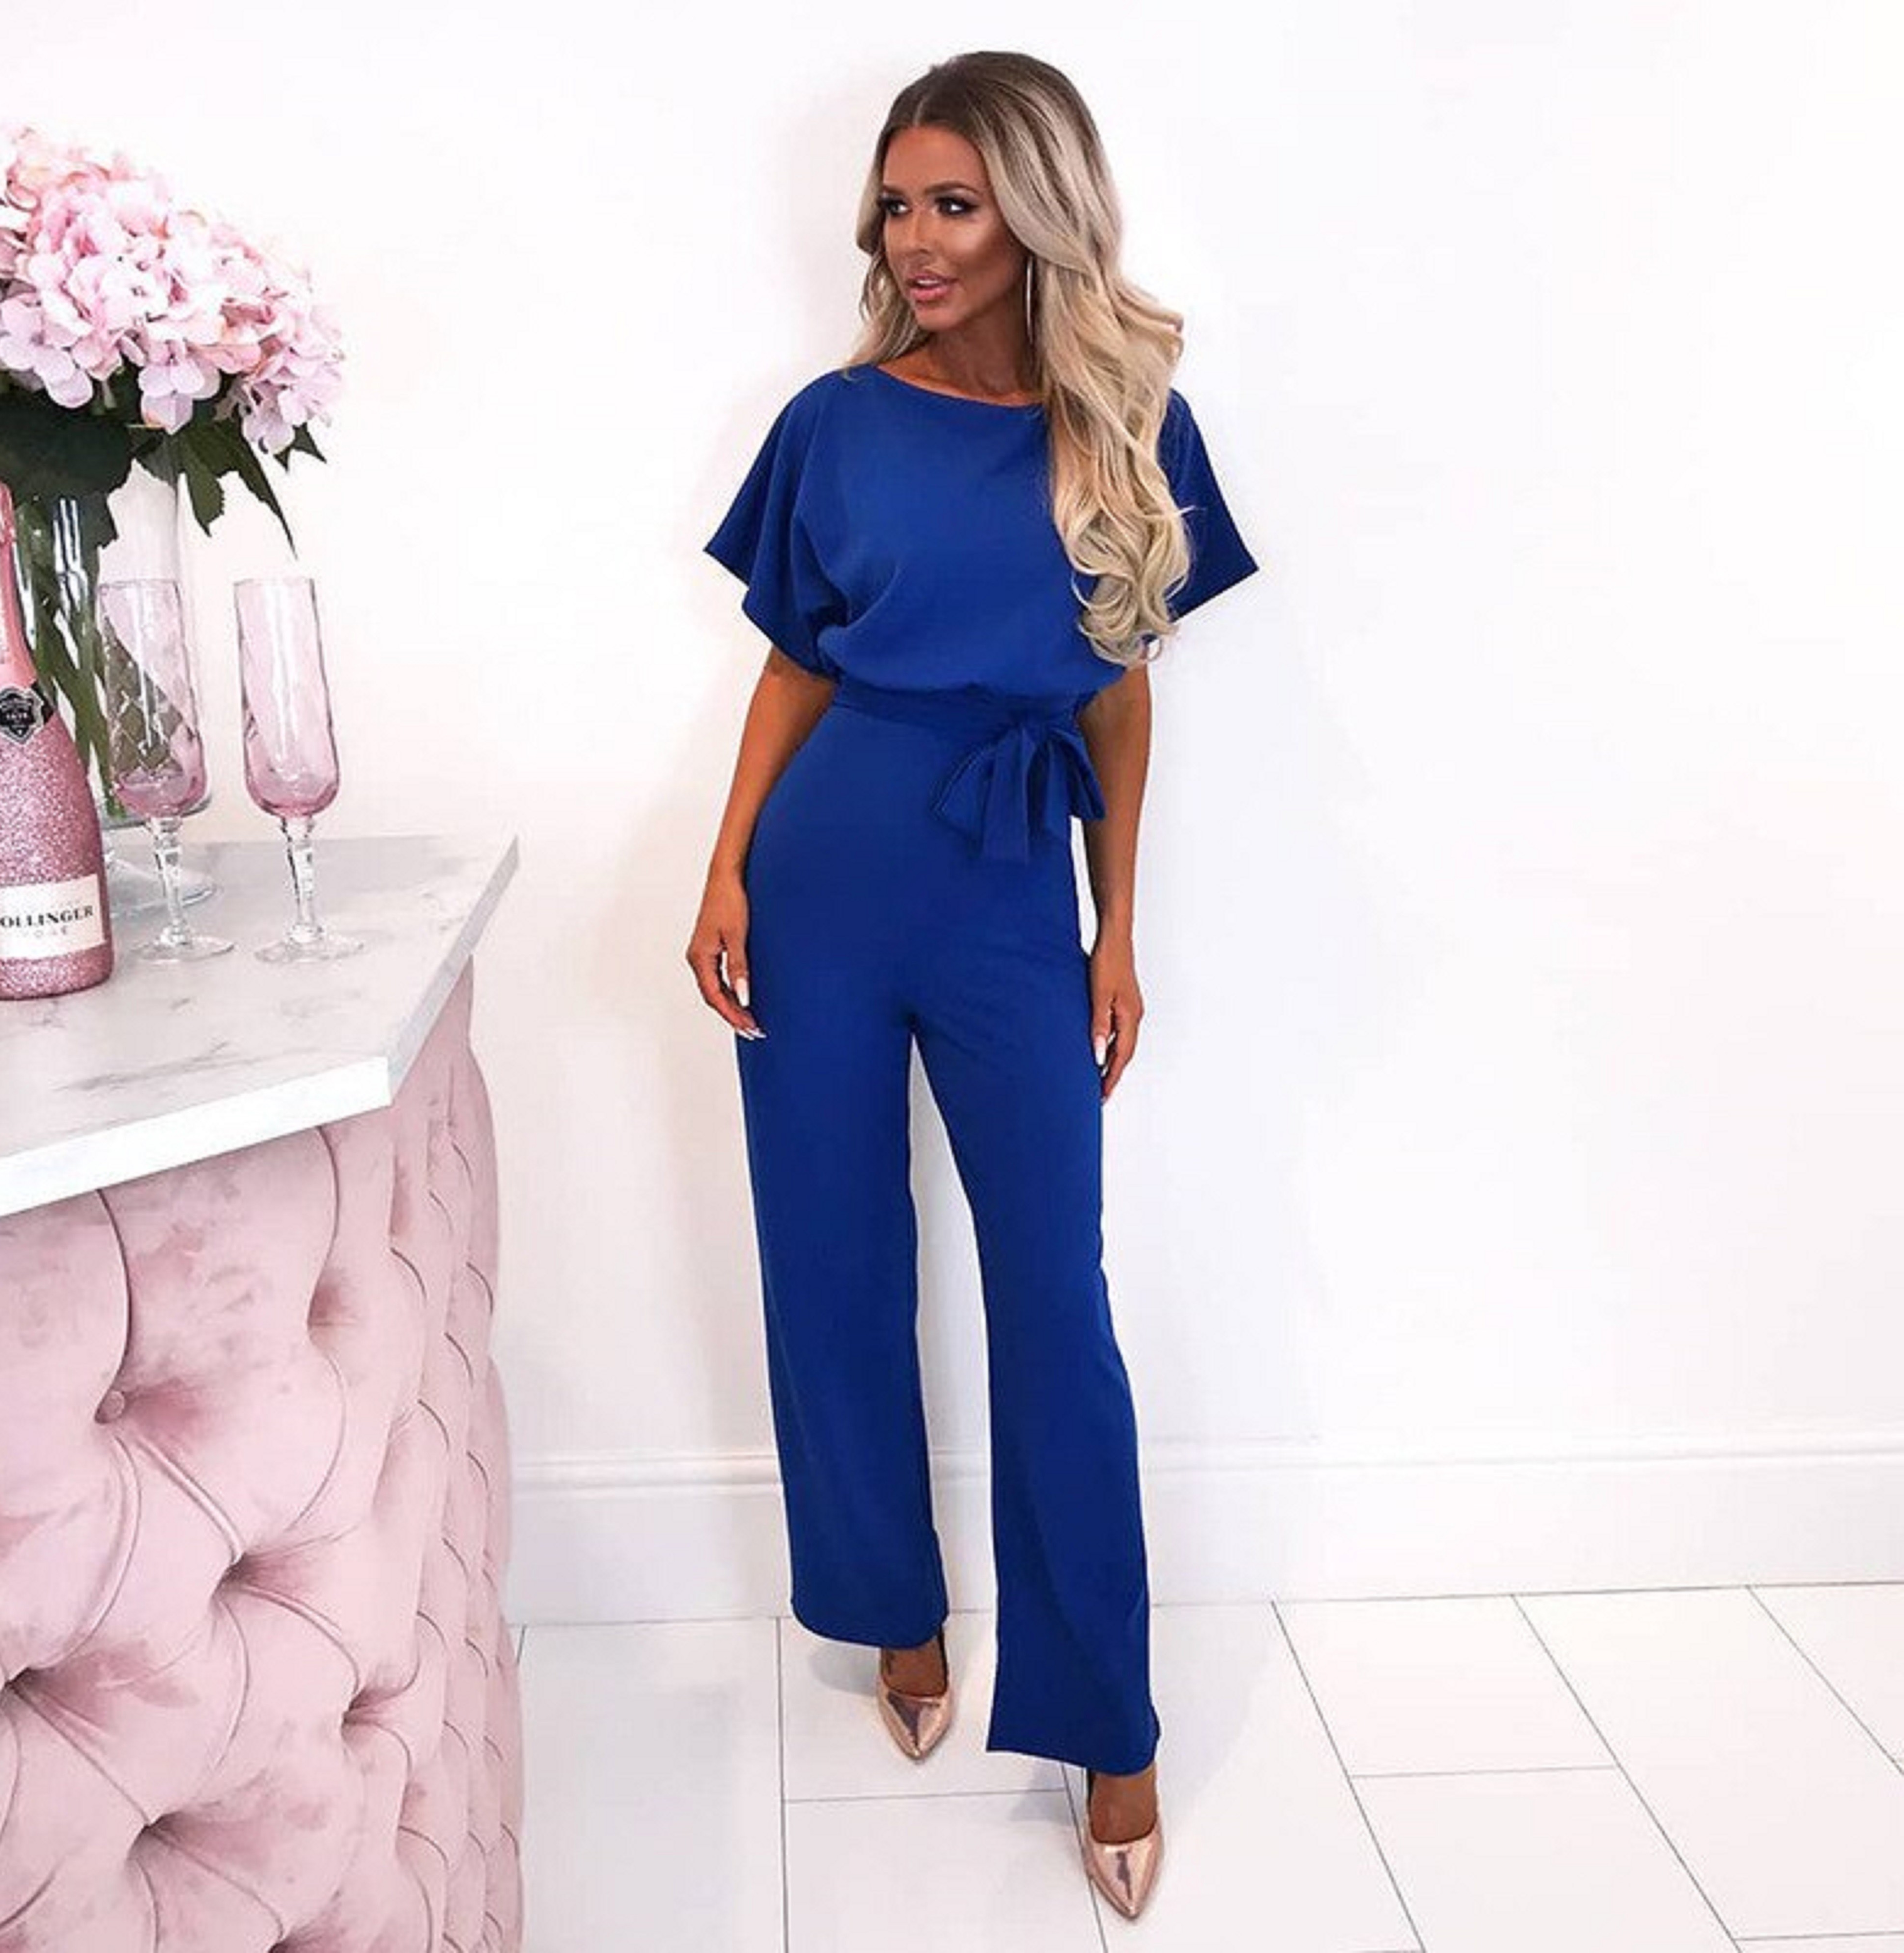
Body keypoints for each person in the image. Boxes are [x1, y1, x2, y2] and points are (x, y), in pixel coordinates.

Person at [686, 49, 1258, 1922]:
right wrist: (724, 867)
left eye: (954, 202)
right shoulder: (835, 423)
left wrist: (1114, 925)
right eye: (898, 204)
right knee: (831, 1262)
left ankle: (1108, 1718)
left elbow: (1121, 689)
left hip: (1014, 883)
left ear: (1039, 210)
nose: (914, 239)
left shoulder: (1132, 422)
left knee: (1055, 1306)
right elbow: (795, 662)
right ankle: (895, 1613)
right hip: (824, 877)